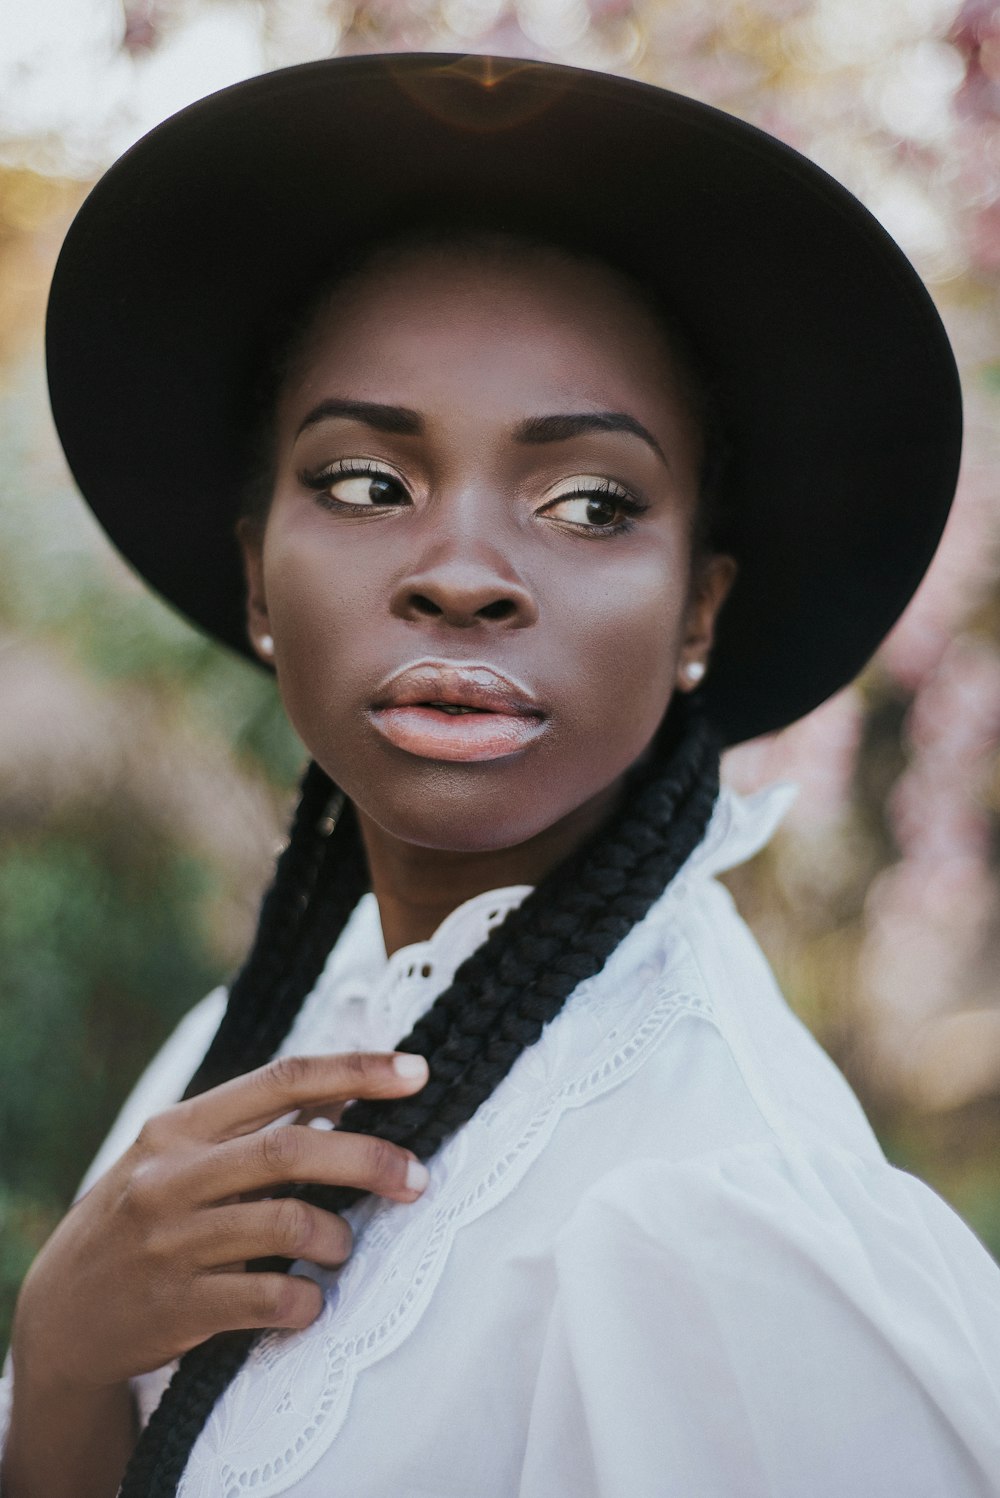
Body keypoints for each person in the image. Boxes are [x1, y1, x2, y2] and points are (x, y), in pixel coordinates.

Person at [2, 51, 999, 1498]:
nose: (463, 574)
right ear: (254, 578)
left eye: (590, 501)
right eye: (365, 480)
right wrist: (68, 1345)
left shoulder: (708, 1229)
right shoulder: (282, 1024)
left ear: (697, 613)